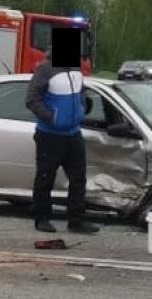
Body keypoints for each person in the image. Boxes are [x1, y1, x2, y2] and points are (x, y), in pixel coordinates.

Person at [25, 44, 99, 235]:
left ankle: (76, 220)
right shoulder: (45, 68)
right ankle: (42, 218)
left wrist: (82, 108)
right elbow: (31, 98)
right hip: (49, 135)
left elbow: (81, 91)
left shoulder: (76, 69)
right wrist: (52, 117)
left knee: (78, 179)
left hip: (73, 133)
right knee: (45, 178)